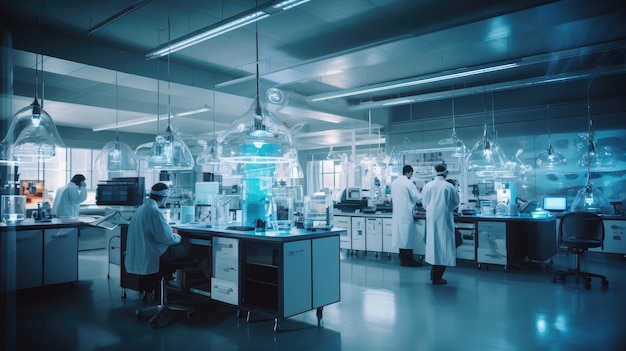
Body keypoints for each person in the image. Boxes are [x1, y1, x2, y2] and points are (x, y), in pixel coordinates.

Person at [124, 183, 191, 275]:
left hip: (141, 254)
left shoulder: (140, 209)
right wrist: (177, 236)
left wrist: (169, 232)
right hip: (153, 254)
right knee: (194, 250)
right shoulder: (154, 211)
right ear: (165, 197)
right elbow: (166, 238)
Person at [421, 163, 460, 285]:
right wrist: (447, 209)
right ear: (446, 173)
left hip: (431, 218)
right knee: (444, 246)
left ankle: (434, 275)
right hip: (444, 218)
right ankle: (437, 277)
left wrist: (432, 210)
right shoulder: (448, 186)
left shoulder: (428, 186)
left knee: (434, 245)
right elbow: (456, 202)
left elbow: (424, 204)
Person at [390, 165, 423, 267]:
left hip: (397, 213)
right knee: (407, 237)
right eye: (411, 174)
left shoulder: (394, 183)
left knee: (401, 236)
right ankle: (409, 260)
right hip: (406, 213)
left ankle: (403, 259)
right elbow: (417, 198)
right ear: (410, 173)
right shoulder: (408, 183)